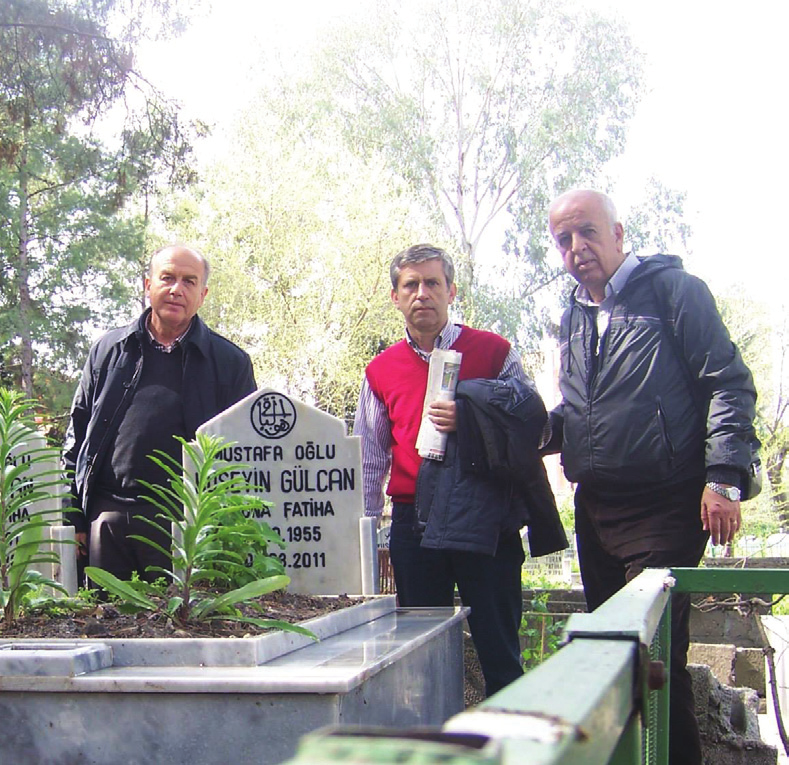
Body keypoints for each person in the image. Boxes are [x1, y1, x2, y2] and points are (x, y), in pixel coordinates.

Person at [545, 189, 757, 765]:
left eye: (587, 232)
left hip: (666, 509)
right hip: (597, 512)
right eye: (563, 240)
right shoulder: (571, 316)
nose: (577, 248)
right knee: (615, 661)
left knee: (658, 658)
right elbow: (580, 414)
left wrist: (725, 477)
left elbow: (729, 384)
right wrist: (522, 429)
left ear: (618, 233)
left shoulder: (674, 293)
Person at [354, 243, 565, 697]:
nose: (422, 294)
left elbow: (536, 425)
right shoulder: (380, 371)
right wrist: (369, 537)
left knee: (500, 651)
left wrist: (471, 418)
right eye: (410, 285)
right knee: (419, 660)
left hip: (485, 516)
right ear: (395, 296)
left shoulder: (493, 351)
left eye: (432, 283)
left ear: (451, 291)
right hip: (414, 522)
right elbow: (370, 460)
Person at [64, 244, 257, 582]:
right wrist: (73, 517)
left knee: (181, 628)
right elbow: (77, 438)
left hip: (186, 525)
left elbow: (245, 454)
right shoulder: (108, 351)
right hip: (106, 519)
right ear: (147, 285)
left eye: (189, 281)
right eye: (167, 277)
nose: (176, 289)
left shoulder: (229, 363)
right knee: (101, 624)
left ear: (203, 294)